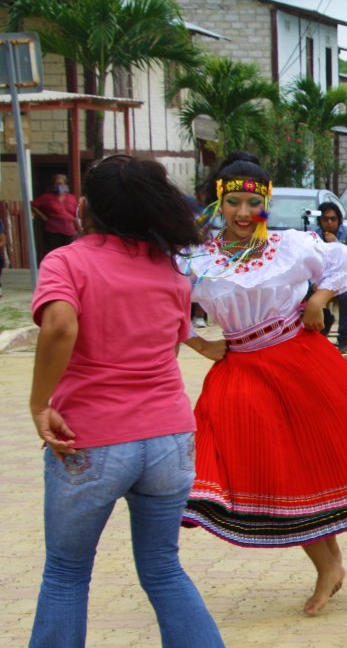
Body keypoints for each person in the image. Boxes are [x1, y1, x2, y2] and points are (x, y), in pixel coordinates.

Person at [28, 156, 224, 647]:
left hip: (90, 441)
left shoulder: (67, 261)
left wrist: (39, 403)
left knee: (66, 575)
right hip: (168, 440)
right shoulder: (170, 270)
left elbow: (59, 326)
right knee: (162, 569)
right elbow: (180, 337)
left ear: (87, 207)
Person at [179, 152, 347, 616]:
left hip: (300, 363)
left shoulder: (292, 246)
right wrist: (198, 344)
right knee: (265, 466)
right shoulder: (197, 260)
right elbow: (160, 305)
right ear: (219, 203)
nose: (244, 213)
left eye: (254, 202)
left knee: (306, 464)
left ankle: (328, 566)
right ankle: (328, 563)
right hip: (242, 371)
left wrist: (320, 297)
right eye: (234, 203)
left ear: (266, 203)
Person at [313, 201, 347, 354]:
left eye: (333, 219)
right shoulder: (314, 235)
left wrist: (337, 244)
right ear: (320, 221)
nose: (329, 222)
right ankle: (319, 331)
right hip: (321, 279)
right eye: (325, 219)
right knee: (303, 294)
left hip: (344, 278)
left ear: (339, 220)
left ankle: (343, 339)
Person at [31, 173, 80, 260]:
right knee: (55, 253)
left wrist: (78, 228)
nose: (59, 186)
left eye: (61, 183)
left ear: (65, 185)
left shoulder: (71, 198)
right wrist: (43, 217)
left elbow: (76, 213)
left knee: (70, 253)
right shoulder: (47, 197)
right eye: (57, 183)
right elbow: (33, 205)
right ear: (53, 185)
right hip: (53, 230)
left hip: (69, 230)